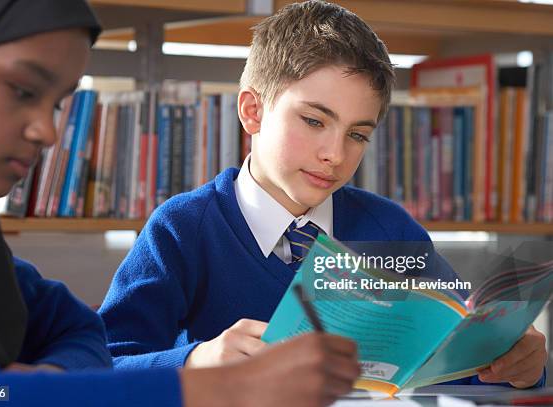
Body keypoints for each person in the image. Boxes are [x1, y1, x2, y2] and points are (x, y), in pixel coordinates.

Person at [99, 0, 547, 390]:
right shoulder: (182, 229)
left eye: (357, 134)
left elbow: (458, 361)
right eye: (314, 121)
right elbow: (101, 366)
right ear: (253, 112)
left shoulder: (390, 230)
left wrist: (519, 364)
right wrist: (194, 362)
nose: (335, 154)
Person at [0, 1, 361, 406]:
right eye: (21, 90)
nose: (48, 133)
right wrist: (219, 387)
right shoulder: (185, 225)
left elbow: (80, 331)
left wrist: (48, 385)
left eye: (55, 105)